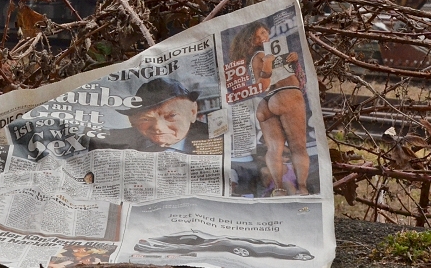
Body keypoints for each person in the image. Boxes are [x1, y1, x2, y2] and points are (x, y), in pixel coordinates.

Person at [229, 22, 310, 195]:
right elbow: (262, 85)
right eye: (256, 37)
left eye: (263, 33)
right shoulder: (260, 56)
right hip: (285, 95)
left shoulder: (262, 54)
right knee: (298, 147)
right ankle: (302, 188)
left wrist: (295, 61)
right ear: (250, 41)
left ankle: (279, 189)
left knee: (274, 149)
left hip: (265, 105)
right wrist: (267, 65)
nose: (261, 38)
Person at [104, 78, 209, 153]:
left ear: (192, 112)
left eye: (171, 116)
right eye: (145, 119)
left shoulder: (215, 137)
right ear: (133, 121)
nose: (158, 127)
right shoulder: (111, 142)